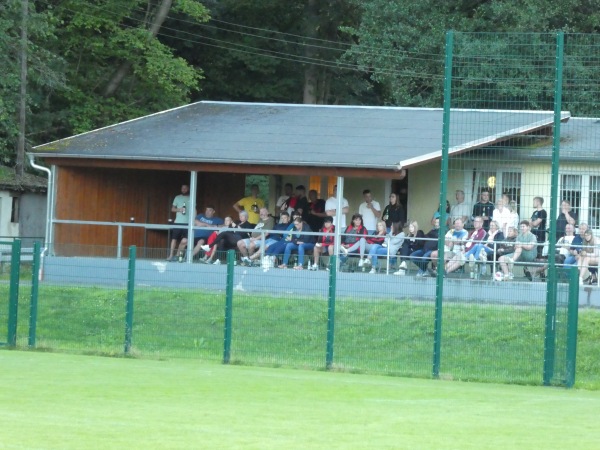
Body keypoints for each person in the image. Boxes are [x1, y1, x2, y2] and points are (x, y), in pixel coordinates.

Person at [167, 184, 190, 262]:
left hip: (188, 223)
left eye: (185, 188)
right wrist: (179, 209)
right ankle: (171, 255)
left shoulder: (191, 197)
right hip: (178, 222)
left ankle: (178, 256)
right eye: (182, 188)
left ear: (188, 189)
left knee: (185, 241)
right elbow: (172, 209)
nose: (184, 189)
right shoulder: (177, 197)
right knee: (174, 239)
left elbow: (194, 209)